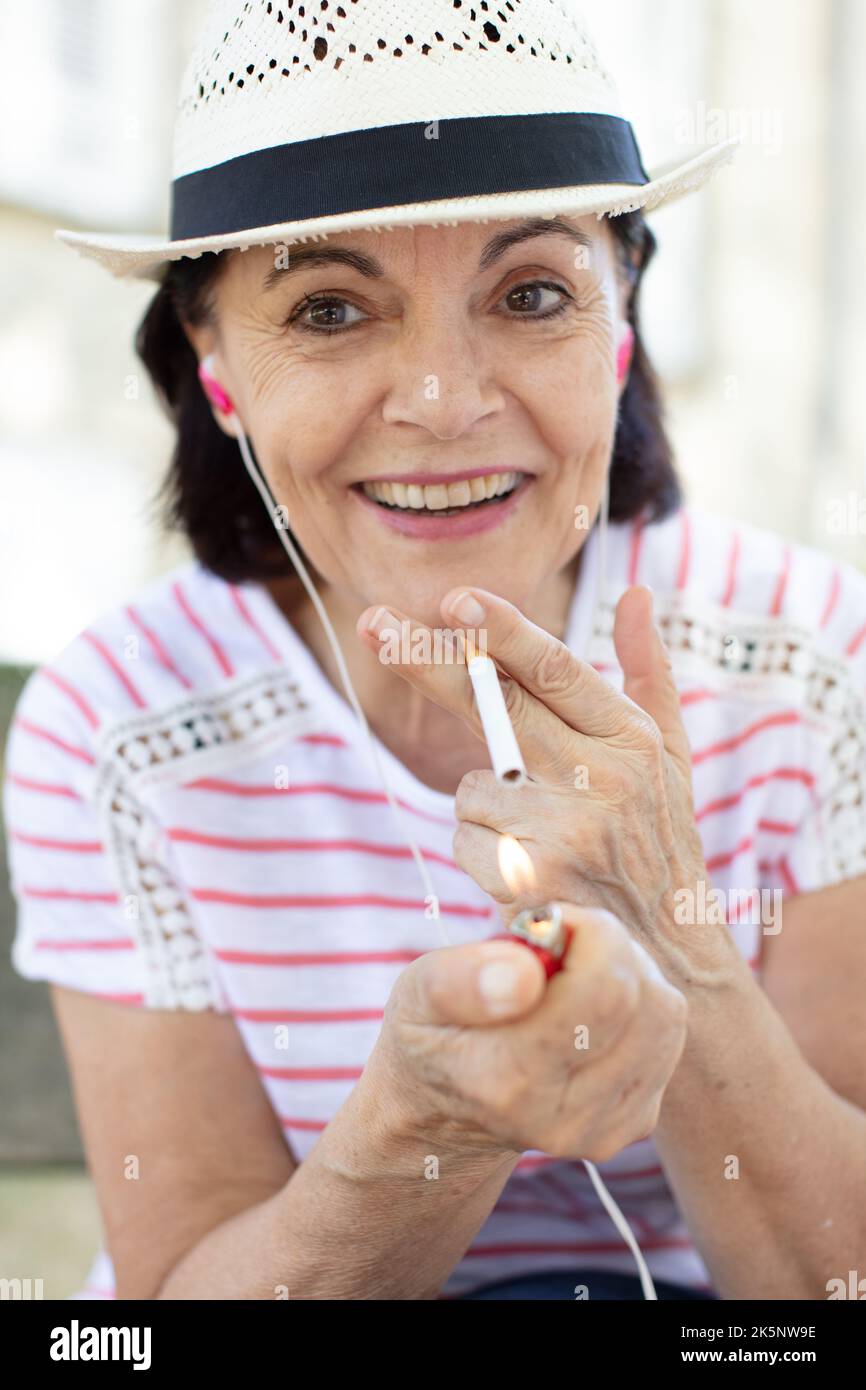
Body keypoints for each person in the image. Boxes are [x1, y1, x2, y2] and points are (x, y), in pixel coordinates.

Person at [4, 0, 866, 1301]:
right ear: (214, 359)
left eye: (529, 294)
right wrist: (419, 1126)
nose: (443, 400)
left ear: (620, 311)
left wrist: (668, 921)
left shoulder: (800, 661)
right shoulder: (119, 722)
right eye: (331, 310)